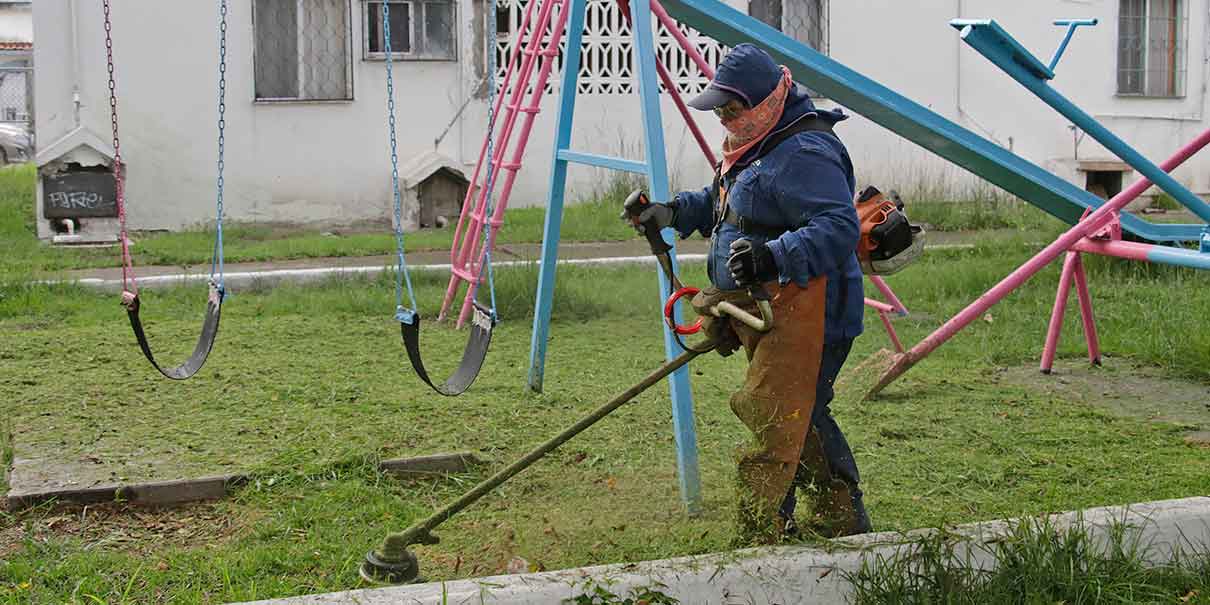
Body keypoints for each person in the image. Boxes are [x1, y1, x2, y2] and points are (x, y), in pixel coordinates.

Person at [627, 43, 870, 543]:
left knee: (781, 412)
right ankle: (841, 516)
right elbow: (728, 205)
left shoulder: (805, 151)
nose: (723, 119)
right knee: (798, 412)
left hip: (815, 314)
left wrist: (773, 256)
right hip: (770, 311)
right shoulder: (757, 143)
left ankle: (766, 528)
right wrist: (670, 213)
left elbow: (838, 227)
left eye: (732, 109)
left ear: (764, 102)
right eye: (718, 109)